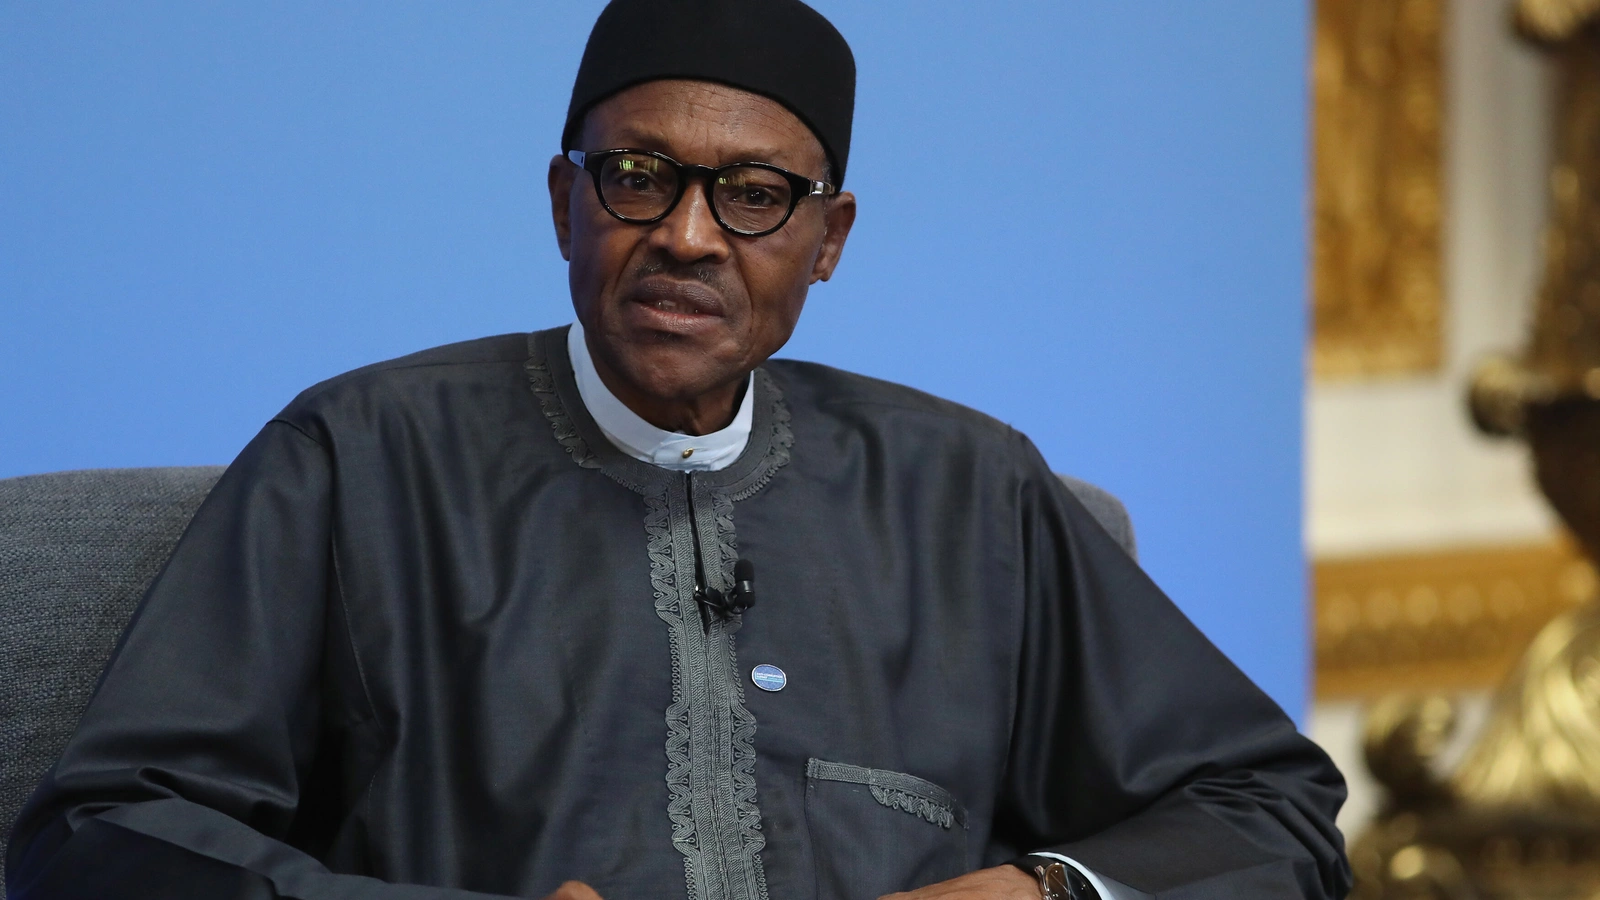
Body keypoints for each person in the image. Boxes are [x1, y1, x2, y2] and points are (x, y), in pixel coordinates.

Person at [5, 1, 1350, 898]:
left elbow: (1269, 813)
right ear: (564, 202)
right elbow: (101, 835)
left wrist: (1047, 891)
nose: (690, 236)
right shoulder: (359, 460)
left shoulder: (969, 489)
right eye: (636, 177)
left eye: (754, 194)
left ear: (829, 240)